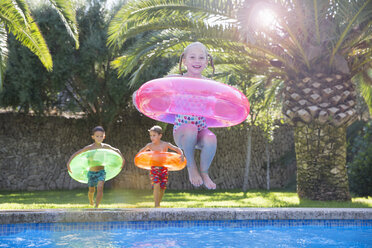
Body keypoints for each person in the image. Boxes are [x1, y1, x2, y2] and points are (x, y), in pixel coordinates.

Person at [169, 42, 217, 189]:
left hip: (201, 129)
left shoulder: (209, 84)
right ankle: (191, 167)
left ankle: (205, 173)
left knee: (211, 138)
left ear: (207, 62)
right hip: (182, 132)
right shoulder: (176, 80)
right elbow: (157, 93)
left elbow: (219, 103)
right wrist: (140, 98)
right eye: (193, 57)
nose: (197, 61)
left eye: (201, 58)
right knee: (190, 128)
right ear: (184, 61)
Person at [67, 126, 125, 208]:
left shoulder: (105, 147)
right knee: (91, 190)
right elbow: (77, 153)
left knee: (100, 187)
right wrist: (69, 162)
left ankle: (97, 206)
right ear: (93, 137)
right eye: (97, 136)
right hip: (91, 173)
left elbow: (117, 150)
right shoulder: (90, 148)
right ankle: (91, 200)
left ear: (104, 137)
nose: (99, 138)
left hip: (101, 172)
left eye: (101, 136)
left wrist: (122, 159)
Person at [138, 125, 184, 207]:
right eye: (151, 135)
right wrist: (139, 158)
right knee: (156, 184)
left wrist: (181, 154)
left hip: (163, 169)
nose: (152, 137)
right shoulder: (150, 145)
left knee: (162, 187)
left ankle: (158, 203)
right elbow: (141, 152)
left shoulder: (165, 144)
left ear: (160, 135)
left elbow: (177, 149)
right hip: (154, 168)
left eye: (154, 135)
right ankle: (156, 205)